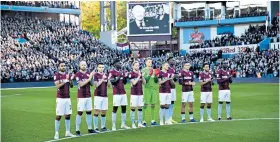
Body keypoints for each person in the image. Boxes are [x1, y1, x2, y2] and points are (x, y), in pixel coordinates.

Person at [53, 61, 75, 140]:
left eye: (64, 66)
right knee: (58, 116)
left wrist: (71, 80)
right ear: (59, 67)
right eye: (62, 66)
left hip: (67, 98)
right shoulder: (57, 75)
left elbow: (72, 86)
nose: (63, 67)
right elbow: (57, 86)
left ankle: (68, 132)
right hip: (60, 98)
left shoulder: (67, 75)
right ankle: (56, 132)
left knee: (68, 115)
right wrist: (65, 80)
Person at [75, 61, 96, 136]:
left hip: (88, 95)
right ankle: (77, 130)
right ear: (80, 66)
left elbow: (92, 84)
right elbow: (81, 84)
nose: (84, 66)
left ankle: (90, 128)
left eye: (85, 65)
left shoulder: (88, 73)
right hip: (81, 96)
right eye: (82, 65)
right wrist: (89, 78)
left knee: (89, 112)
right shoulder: (78, 74)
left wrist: (92, 77)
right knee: (80, 112)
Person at [109, 59, 130, 131]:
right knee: (115, 109)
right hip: (116, 93)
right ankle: (113, 125)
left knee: (124, 108)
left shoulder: (122, 72)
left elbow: (124, 83)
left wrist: (125, 77)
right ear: (114, 64)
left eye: (120, 63)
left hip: (123, 93)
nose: (120, 64)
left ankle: (123, 124)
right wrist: (119, 76)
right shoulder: (112, 72)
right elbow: (113, 82)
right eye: (118, 63)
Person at [141, 58, 159, 126]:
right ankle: (143, 120)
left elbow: (156, 81)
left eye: (151, 62)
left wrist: (156, 76)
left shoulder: (154, 70)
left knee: (153, 105)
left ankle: (153, 120)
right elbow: (145, 81)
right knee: (145, 104)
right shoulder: (144, 70)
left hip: (153, 89)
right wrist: (150, 74)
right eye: (149, 62)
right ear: (146, 63)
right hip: (147, 89)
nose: (150, 63)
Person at [93, 63, 110, 132]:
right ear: (97, 68)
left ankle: (103, 127)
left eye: (102, 67)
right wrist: (102, 79)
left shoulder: (105, 75)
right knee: (97, 110)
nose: (101, 68)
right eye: (100, 67)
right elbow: (96, 85)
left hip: (105, 95)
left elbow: (109, 86)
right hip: (98, 95)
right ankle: (96, 127)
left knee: (104, 111)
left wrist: (108, 79)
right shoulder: (95, 75)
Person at [129, 61, 146, 128]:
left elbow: (144, 83)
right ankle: (133, 123)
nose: (137, 67)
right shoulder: (131, 74)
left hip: (140, 93)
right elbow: (134, 83)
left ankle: (139, 123)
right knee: (133, 108)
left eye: (138, 65)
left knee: (140, 108)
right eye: (136, 65)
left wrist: (142, 77)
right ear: (133, 66)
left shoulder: (140, 73)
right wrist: (139, 76)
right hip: (134, 93)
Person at [167, 57, 178, 124]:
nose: (173, 61)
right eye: (171, 60)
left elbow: (175, 78)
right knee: (167, 103)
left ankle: (170, 118)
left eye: (173, 60)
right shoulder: (166, 68)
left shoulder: (173, 69)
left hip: (173, 88)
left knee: (172, 102)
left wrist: (175, 76)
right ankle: (166, 118)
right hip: (167, 88)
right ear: (168, 61)